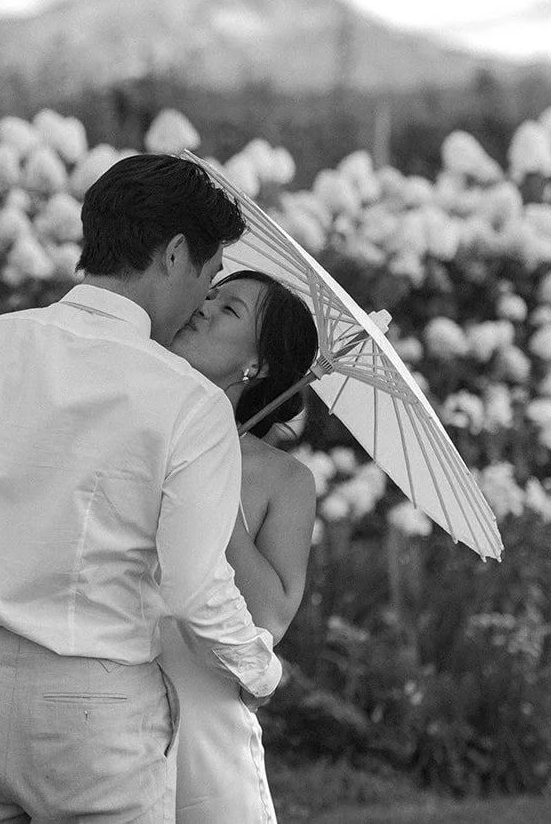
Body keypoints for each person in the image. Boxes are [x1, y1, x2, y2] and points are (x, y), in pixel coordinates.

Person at [0, 153, 283, 823]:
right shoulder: (191, 402)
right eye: (210, 274)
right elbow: (193, 586)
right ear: (174, 254)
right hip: (95, 716)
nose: (202, 299)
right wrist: (259, 669)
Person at [161, 270, 319, 823]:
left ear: (258, 365)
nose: (203, 307)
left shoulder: (285, 481)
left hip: (205, 727)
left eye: (229, 309)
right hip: (96, 708)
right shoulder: (129, 422)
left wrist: (211, 480)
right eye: (209, 294)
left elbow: (270, 617)